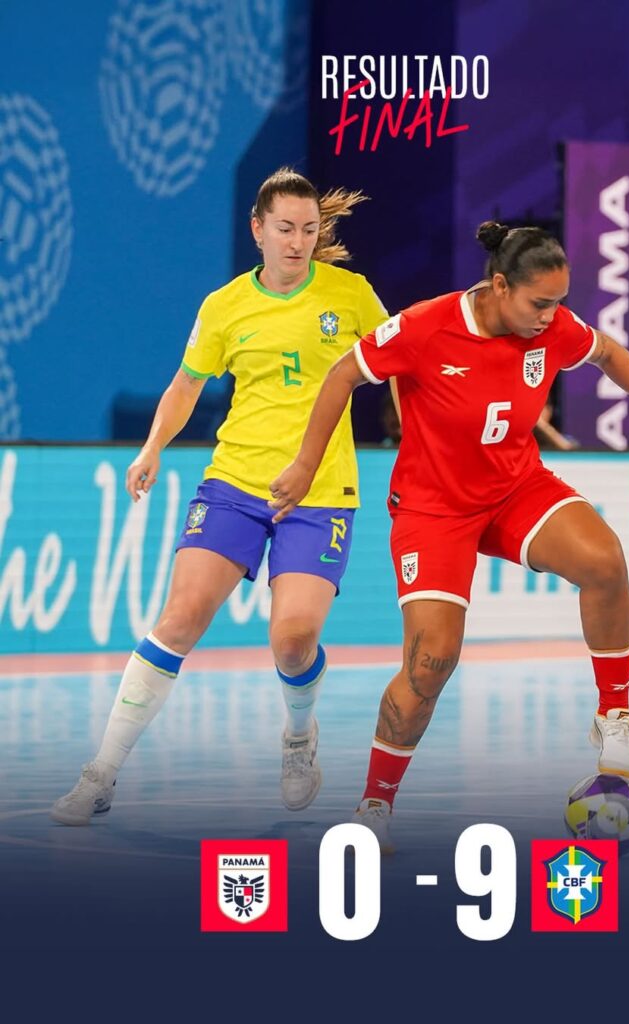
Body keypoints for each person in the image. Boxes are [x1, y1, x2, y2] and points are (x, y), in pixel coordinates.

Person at [268, 221, 629, 853]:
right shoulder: (427, 326)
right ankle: (375, 804)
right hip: (433, 509)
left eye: (559, 303)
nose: (552, 316)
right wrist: (305, 465)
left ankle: (613, 713)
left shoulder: (550, 328)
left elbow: (609, 354)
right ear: (500, 286)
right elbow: (343, 374)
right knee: (431, 662)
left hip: (514, 487)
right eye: (540, 303)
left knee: (604, 559)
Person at [51, 168, 387, 825]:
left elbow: (405, 358)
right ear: (258, 229)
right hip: (235, 484)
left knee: (293, 643)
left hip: (320, 493)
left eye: (309, 230)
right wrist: (151, 448)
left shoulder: (350, 296)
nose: (297, 242)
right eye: (285, 229)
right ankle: (101, 773)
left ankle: (299, 737)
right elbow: (185, 386)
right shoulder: (225, 306)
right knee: (178, 620)